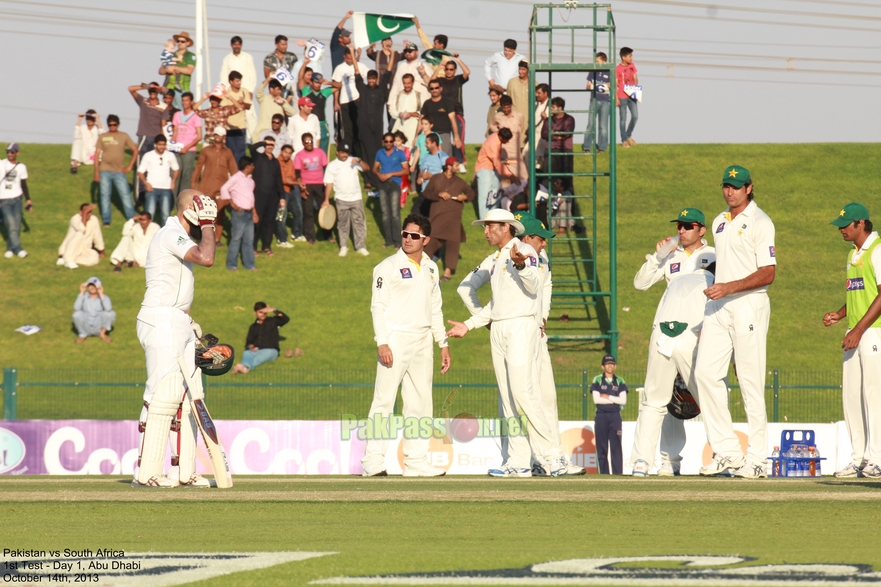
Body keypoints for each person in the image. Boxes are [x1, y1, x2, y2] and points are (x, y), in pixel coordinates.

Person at [447, 209, 565, 477]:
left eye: (490, 227)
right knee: (509, 399)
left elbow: (535, 286)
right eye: (484, 227)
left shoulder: (526, 251)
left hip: (521, 326)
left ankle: (552, 457)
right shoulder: (498, 257)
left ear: (507, 226)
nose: (486, 232)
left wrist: (522, 265)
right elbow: (497, 304)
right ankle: (518, 461)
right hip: (499, 328)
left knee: (524, 393)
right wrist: (469, 324)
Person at [695, 165, 776, 479]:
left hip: (748, 305)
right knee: (704, 374)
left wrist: (728, 287)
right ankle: (727, 451)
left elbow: (768, 273)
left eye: (736, 186)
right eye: (726, 186)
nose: (730, 191)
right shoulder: (718, 221)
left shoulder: (760, 222)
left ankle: (757, 459)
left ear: (749, 188)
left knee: (750, 381)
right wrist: (720, 288)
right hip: (719, 306)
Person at [133, 188, 217, 488]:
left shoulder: (180, 238)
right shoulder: (169, 233)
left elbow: (180, 287)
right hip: (160, 317)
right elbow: (207, 258)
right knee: (161, 395)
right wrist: (208, 224)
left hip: (177, 319)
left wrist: (189, 323)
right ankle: (146, 473)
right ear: (189, 211)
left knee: (190, 397)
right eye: (202, 210)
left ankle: (184, 471)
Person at [362, 213, 451, 477]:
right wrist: (383, 342)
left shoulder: (432, 268)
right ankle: (372, 461)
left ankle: (416, 462)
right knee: (384, 401)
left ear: (426, 240)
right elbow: (377, 307)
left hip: (423, 340)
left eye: (414, 236)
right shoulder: (387, 267)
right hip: (396, 338)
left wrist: (442, 343)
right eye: (405, 234)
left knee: (421, 403)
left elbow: (436, 309)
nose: (408, 239)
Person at [631, 209, 716, 475]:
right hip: (666, 330)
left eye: (688, 226)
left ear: (701, 229)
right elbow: (640, 284)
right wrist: (657, 257)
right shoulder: (671, 256)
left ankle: (723, 455)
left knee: (708, 396)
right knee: (658, 399)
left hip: (697, 332)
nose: (682, 231)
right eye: (679, 226)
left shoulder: (715, 255)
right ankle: (650, 461)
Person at [516, 212, 585, 476]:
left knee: (548, 396)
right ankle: (534, 458)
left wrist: (543, 316)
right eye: (540, 239)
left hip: (537, 332)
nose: (544, 244)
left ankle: (553, 457)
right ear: (526, 237)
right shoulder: (510, 257)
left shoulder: (541, 258)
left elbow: (547, 286)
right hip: (518, 334)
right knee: (525, 398)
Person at [823, 203, 881, 479]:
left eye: (845, 225)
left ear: (861, 224)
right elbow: (858, 292)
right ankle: (859, 457)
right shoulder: (852, 254)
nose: (840, 230)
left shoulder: (878, 250)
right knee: (852, 397)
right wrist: (840, 314)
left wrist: (858, 329)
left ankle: (878, 458)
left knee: (874, 396)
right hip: (854, 331)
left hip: (874, 331)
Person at [421, 157, 474, 280]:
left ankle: (447, 272)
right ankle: (423, 269)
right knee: (429, 242)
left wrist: (464, 197)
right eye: (456, 165)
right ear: (449, 166)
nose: (458, 168)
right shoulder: (436, 179)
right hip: (437, 217)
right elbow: (426, 193)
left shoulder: (460, 182)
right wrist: (438, 194)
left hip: (454, 219)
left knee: (452, 244)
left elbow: (471, 193)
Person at [352, 44, 394, 188]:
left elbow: (388, 71)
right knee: (365, 153)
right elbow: (356, 70)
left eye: (373, 79)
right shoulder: (362, 89)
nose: (371, 81)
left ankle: (377, 179)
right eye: (369, 79)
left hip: (377, 127)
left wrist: (392, 54)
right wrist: (352, 52)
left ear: (376, 79)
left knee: (376, 153)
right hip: (363, 126)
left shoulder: (381, 89)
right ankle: (368, 180)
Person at [192, 127, 237, 245]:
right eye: (216, 134)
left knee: (219, 214)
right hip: (206, 186)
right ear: (214, 136)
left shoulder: (228, 152)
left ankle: (217, 239)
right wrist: (193, 182)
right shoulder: (206, 150)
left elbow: (234, 171)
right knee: (203, 213)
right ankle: (200, 237)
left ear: (224, 137)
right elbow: (198, 166)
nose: (218, 137)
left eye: (221, 135)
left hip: (222, 188)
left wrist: (236, 187)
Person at [324, 143, 370, 257]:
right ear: (337, 152)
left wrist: (359, 160)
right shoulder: (332, 166)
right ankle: (343, 246)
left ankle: (360, 246)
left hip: (356, 198)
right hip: (341, 199)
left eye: (346, 152)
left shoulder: (353, 161)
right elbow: (329, 183)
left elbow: (366, 168)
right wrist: (326, 200)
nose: (345, 154)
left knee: (358, 222)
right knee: (343, 224)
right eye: (342, 152)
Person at [94, 115, 138, 227]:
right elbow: (97, 154)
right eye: (110, 125)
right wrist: (96, 172)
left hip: (119, 171)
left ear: (118, 124)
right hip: (105, 169)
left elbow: (135, 150)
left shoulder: (124, 136)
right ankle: (106, 220)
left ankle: (132, 218)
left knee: (125, 194)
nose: (112, 127)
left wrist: (129, 166)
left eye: (114, 124)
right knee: (104, 195)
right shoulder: (103, 136)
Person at [219, 156, 257, 271]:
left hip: (249, 212)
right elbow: (224, 188)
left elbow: (251, 197)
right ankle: (232, 264)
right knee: (236, 239)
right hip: (239, 214)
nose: (253, 167)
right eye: (252, 165)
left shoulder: (251, 181)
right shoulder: (236, 178)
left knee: (249, 240)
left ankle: (249, 264)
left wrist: (254, 212)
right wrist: (231, 203)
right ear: (247, 166)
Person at [592, 355, 628, 475]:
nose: (610, 366)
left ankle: (618, 475)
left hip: (615, 416)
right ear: (603, 366)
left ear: (615, 366)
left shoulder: (620, 381)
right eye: (607, 364)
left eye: (612, 364)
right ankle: (603, 474)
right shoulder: (597, 380)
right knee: (601, 447)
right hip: (601, 415)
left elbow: (623, 401)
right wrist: (614, 399)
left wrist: (607, 396)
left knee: (616, 446)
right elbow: (597, 400)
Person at [373, 132, 410, 250]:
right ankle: (388, 240)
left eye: (390, 141)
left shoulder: (400, 153)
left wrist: (391, 174)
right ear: (383, 142)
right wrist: (379, 175)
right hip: (383, 184)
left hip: (394, 183)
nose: (388, 143)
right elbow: (374, 168)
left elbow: (406, 170)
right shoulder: (380, 153)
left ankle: (398, 241)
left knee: (395, 214)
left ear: (393, 142)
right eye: (386, 141)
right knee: (385, 214)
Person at [432, 55, 469, 170]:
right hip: (444, 113)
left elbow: (467, 72)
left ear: (455, 70)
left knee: (458, 137)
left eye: (451, 69)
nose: (448, 71)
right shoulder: (441, 81)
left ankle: (460, 161)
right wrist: (439, 67)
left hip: (457, 112)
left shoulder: (458, 79)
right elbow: (432, 81)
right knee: (443, 137)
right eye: (447, 69)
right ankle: (444, 161)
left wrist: (458, 60)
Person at [250, 137, 285, 256]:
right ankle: (253, 247)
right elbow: (252, 148)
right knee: (257, 222)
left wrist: (282, 196)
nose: (270, 147)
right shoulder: (258, 158)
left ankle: (267, 246)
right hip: (259, 195)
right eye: (268, 145)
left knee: (269, 222)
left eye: (271, 145)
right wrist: (263, 142)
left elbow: (279, 180)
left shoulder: (275, 162)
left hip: (272, 196)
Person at [232, 303, 290, 374]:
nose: (263, 314)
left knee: (260, 357)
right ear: (255, 313)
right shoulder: (253, 327)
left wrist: (273, 310)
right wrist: (251, 347)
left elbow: (285, 319)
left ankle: (244, 367)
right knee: (247, 353)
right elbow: (249, 342)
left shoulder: (273, 321)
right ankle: (244, 368)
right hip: (257, 350)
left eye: (264, 312)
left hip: (271, 350)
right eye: (260, 312)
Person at [294, 133, 330, 245]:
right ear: (303, 143)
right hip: (307, 185)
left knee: (324, 210)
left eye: (310, 141)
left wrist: (327, 183)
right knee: (308, 212)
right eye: (306, 141)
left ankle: (328, 235)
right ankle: (310, 237)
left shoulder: (320, 152)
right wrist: (301, 185)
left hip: (320, 184)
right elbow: (297, 172)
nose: (309, 143)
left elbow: (326, 168)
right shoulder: (299, 155)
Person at [219, 37, 258, 138]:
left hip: (245, 90)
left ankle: (253, 140)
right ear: (231, 45)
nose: (237, 46)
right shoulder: (227, 59)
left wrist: (251, 90)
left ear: (241, 45)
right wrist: (227, 92)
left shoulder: (247, 57)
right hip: (231, 92)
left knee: (250, 115)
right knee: (233, 114)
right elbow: (224, 76)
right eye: (235, 44)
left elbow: (252, 74)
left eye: (238, 44)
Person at [137, 135, 179, 227]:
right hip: (152, 189)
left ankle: (164, 236)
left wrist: (173, 181)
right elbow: (140, 172)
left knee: (165, 215)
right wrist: (146, 184)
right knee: (149, 214)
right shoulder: (148, 155)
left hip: (166, 189)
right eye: (159, 144)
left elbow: (176, 169)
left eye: (163, 145)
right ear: (155, 144)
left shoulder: (170, 155)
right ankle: (147, 236)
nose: (162, 147)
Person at [474, 128, 515, 221]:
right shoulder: (493, 142)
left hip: (492, 169)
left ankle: (493, 217)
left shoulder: (497, 138)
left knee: (496, 192)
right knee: (484, 195)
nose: (507, 142)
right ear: (501, 137)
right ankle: (484, 220)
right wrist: (510, 175)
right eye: (506, 140)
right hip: (484, 169)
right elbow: (496, 161)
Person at [0, 143, 31, 259]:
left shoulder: (21, 167)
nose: (9, 154)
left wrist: (28, 199)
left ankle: (10, 248)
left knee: (16, 225)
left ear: (17, 153)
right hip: (4, 199)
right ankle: (18, 248)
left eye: (12, 152)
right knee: (11, 224)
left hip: (17, 199)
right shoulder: (2, 164)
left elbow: (24, 185)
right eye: (7, 152)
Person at [331, 48, 364, 154]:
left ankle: (359, 149)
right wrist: (336, 101)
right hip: (345, 101)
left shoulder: (359, 66)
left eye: (352, 58)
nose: (350, 60)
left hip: (357, 100)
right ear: (344, 57)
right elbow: (336, 86)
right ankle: (349, 150)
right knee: (347, 127)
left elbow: (371, 76)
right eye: (348, 58)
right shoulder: (339, 68)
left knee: (358, 126)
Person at [171, 92, 203, 197]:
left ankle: (183, 200)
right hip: (177, 149)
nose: (184, 103)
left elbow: (199, 136)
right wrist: (172, 145)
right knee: (175, 174)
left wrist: (187, 147)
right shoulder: (177, 115)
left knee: (186, 175)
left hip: (189, 150)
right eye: (183, 100)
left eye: (186, 101)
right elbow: (175, 132)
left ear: (191, 102)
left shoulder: (195, 117)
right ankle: (172, 199)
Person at [541, 97, 575, 192]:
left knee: (566, 177)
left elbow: (568, 133)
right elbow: (544, 134)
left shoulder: (569, 119)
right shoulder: (548, 120)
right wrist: (559, 135)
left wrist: (552, 133)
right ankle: (546, 202)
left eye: (553, 107)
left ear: (560, 108)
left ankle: (568, 202)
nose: (551, 109)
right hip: (550, 149)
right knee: (548, 177)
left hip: (565, 150)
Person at [57, 203, 105, 269]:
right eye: (87, 212)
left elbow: (98, 236)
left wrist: (102, 251)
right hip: (70, 249)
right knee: (79, 234)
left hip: (85, 250)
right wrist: (84, 213)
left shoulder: (94, 219)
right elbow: (82, 228)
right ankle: (68, 260)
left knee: (95, 258)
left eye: (90, 212)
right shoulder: (74, 219)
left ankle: (70, 260)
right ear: (80, 212)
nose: (89, 214)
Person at [421, 79, 461, 153]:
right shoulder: (427, 103)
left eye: (436, 88)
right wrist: (416, 136)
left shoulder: (447, 102)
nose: (434, 90)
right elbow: (421, 120)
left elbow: (453, 119)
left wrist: (456, 136)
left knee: (445, 159)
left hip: (443, 135)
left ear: (441, 89)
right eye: (432, 88)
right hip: (430, 136)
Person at [222, 71, 254, 163]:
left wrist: (242, 103)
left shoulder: (244, 91)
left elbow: (248, 106)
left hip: (241, 126)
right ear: (231, 82)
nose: (239, 83)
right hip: (229, 127)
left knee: (240, 152)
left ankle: (240, 173)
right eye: (237, 81)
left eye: (240, 81)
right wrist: (237, 104)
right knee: (230, 152)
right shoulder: (226, 93)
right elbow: (224, 108)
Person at [73, 277, 115, 344]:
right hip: (86, 325)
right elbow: (76, 308)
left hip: (98, 326)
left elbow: (108, 309)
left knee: (110, 313)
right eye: (90, 285)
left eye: (94, 286)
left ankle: (102, 334)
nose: (92, 287)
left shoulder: (104, 297)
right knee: (76, 314)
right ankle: (82, 335)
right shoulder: (83, 296)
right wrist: (81, 292)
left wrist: (101, 294)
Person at [160, 32, 196, 109]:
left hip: (182, 90)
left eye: (182, 41)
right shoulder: (170, 54)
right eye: (178, 41)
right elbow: (160, 71)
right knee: (166, 112)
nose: (180, 43)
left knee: (181, 112)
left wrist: (174, 67)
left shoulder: (190, 56)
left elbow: (189, 70)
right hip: (168, 89)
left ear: (188, 43)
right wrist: (167, 69)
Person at [583, 52, 611, 153]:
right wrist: (590, 86)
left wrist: (609, 85)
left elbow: (613, 85)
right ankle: (587, 147)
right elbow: (588, 85)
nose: (596, 63)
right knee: (590, 124)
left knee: (603, 126)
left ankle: (602, 147)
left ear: (604, 61)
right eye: (596, 61)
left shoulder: (609, 71)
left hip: (605, 101)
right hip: (594, 99)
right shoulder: (592, 71)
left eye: (598, 61)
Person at [277, 144, 303, 247]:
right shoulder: (277, 162)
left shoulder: (290, 162)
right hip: (281, 191)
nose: (287, 155)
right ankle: (281, 239)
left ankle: (296, 234)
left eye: (289, 153)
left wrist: (299, 183)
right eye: (285, 152)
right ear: (281, 151)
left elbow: (292, 177)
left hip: (291, 190)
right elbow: (283, 179)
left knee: (298, 212)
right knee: (282, 216)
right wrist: (297, 183)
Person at [389, 73, 423, 146]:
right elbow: (392, 110)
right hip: (400, 126)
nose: (406, 85)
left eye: (408, 83)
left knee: (411, 148)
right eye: (404, 83)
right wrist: (399, 114)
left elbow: (423, 113)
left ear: (413, 83)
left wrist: (411, 114)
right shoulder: (398, 96)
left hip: (413, 127)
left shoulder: (419, 96)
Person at [616, 47, 639, 148]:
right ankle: (624, 140)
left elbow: (635, 78)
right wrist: (616, 98)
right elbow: (615, 84)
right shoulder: (617, 68)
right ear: (623, 57)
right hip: (622, 95)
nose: (631, 58)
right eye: (629, 56)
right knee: (623, 118)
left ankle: (628, 135)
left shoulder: (632, 66)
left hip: (632, 94)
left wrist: (635, 88)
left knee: (635, 116)